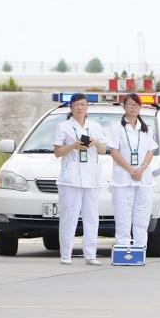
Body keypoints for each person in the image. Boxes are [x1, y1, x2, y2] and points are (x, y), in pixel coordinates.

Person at [53, 93, 106, 265]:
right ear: (71, 107)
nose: (80, 108)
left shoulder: (95, 126)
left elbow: (103, 150)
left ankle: (90, 255)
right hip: (71, 178)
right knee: (69, 217)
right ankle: (66, 254)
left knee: (91, 218)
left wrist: (96, 142)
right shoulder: (63, 126)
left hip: (92, 177)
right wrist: (73, 146)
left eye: (83, 104)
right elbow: (57, 152)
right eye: (76, 105)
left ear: (87, 107)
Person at [108, 93, 158, 249]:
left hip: (143, 178)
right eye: (130, 104)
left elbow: (151, 151)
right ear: (124, 107)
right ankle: (123, 248)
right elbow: (114, 151)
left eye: (136, 105)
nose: (133, 107)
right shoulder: (116, 128)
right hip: (123, 178)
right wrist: (130, 169)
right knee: (123, 217)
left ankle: (140, 248)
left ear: (140, 107)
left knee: (142, 217)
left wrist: (141, 168)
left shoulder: (147, 129)